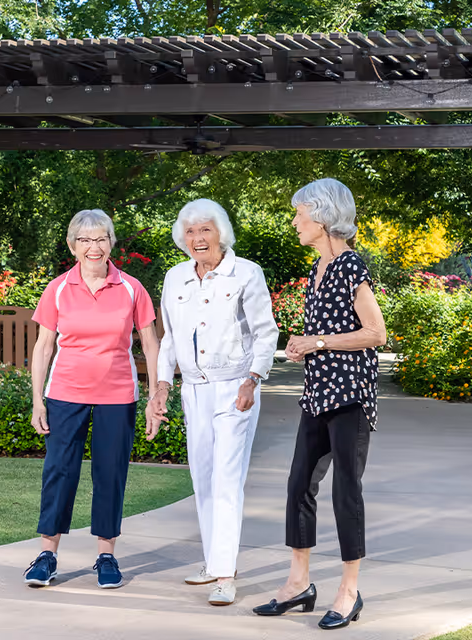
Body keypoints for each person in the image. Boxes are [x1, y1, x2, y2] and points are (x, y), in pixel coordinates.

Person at [252, 178, 386, 629]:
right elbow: (319, 339)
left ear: (324, 216)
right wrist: (303, 345)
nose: (295, 221)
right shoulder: (317, 269)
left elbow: (375, 334)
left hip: (350, 396)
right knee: (298, 487)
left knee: (345, 491)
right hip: (316, 394)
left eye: (300, 213)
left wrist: (320, 341)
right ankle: (298, 584)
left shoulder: (351, 266)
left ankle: (349, 591)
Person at [150, 198, 279, 606]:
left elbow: (265, 333)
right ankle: (212, 561)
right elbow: (168, 338)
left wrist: (253, 380)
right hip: (193, 390)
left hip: (235, 388)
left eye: (205, 230)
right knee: (202, 477)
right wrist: (161, 385)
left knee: (226, 478)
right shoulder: (175, 278)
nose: (198, 238)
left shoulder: (246, 273)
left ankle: (226, 572)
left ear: (221, 232)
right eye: (190, 232)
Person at [24, 209, 160, 590]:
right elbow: (43, 346)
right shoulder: (58, 288)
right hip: (65, 394)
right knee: (59, 471)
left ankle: (106, 556)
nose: (93, 247)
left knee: (110, 472)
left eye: (100, 239)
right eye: (84, 240)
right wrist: (37, 399)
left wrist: (154, 395)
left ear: (111, 243)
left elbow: (151, 343)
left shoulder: (132, 288)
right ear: (72, 246)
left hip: (117, 395)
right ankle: (47, 555)